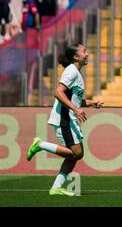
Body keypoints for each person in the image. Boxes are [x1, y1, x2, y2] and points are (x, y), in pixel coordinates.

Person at [26, 44, 103, 196]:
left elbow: (74, 99)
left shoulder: (77, 73)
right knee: (77, 153)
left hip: (69, 117)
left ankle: (56, 188)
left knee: (75, 155)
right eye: (84, 51)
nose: (87, 54)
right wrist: (75, 109)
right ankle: (40, 145)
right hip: (64, 117)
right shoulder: (71, 71)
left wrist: (90, 103)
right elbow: (58, 92)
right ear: (76, 56)